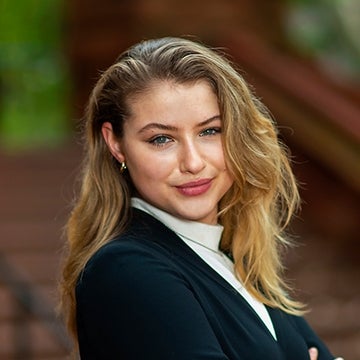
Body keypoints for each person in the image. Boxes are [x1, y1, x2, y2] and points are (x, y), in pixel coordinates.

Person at [60, 37, 343, 359]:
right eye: (161, 139)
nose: (193, 163)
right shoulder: (127, 269)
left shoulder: (235, 261)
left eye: (209, 131)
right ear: (116, 144)